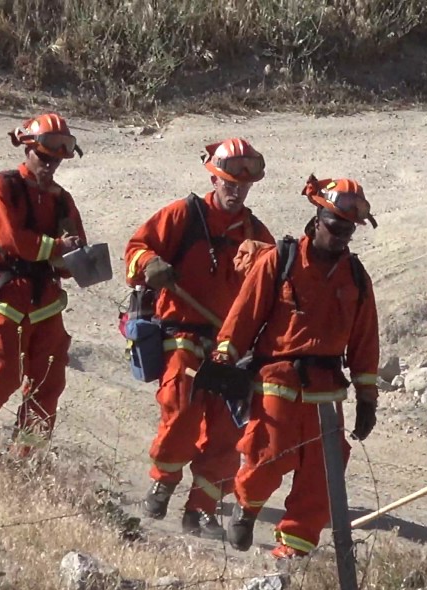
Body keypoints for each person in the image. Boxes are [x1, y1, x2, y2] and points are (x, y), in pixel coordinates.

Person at [213, 176, 380, 561]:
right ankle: (247, 506)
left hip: (327, 391)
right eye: (335, 227)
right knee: (267, 455)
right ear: (317, 219)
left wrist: (367, 399)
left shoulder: (356, 278)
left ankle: (293, 553)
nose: (340, 237)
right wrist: (224, 357)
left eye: (348, 231)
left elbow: (365, 342)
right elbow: (243, 316)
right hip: (278, 380)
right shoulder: (280, 260)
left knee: (324, 473)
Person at [124, 138, 275, 539]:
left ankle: (201, 510)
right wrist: (150, 264)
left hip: (231, 347)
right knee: (181, 411)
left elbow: (276, 291)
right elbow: (137, 247)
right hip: (183, 334)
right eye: (229, 182)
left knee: (228, 432)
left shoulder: (258, 235)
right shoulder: (183, 215)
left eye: (244, 184)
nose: (236, 190)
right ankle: (163, 483)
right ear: (214, 177)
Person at [0, 113, 87, 454]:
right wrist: (59, 247)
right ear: (28, 149)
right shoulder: (1, 186)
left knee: (48, 385)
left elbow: (73, 256)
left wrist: (75, 255)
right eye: (45, 157)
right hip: (8, 297)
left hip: (46, 302)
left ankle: (24, 459)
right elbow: (12, 240)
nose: (50, 165)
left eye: (57, 160)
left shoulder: (62, 199)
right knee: (1, 376)